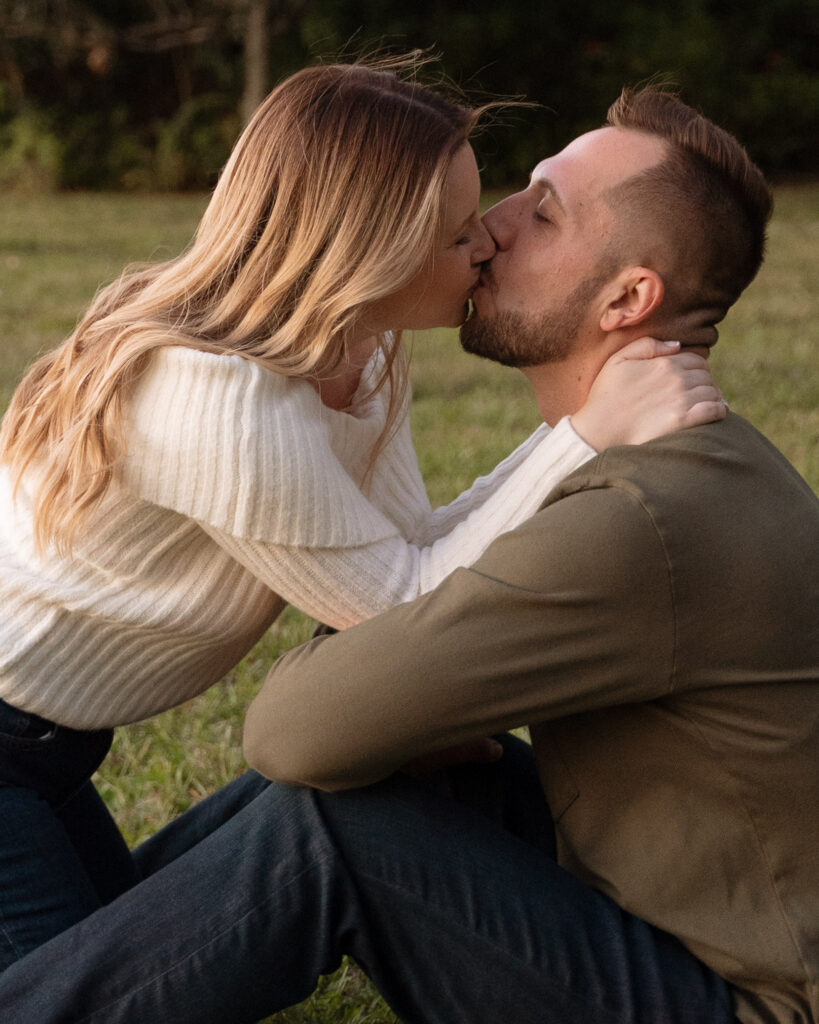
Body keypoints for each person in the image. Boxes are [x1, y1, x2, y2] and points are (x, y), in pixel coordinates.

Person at [0, 85, 803, 1024]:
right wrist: (577, 437)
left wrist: (575, 444)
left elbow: (320, 697)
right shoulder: (217, 398)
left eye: (536, 213)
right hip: (18, 750)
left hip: (746, 999)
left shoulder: (638, 512)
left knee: (334, 817)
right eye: (476, 214)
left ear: (630, 297)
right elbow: (401, 601)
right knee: (120, 950)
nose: (492, 234)